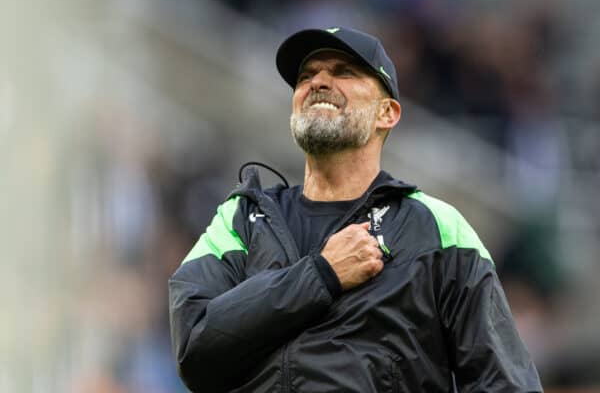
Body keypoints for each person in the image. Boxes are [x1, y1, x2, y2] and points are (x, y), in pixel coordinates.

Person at [169, 27, 543, 392]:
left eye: (343, 72)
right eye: (306, 75)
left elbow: (504, 381)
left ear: (388, 113)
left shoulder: (435, 227)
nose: (318, 82)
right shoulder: (241, 220)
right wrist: (320, 274)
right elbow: (194, 347)